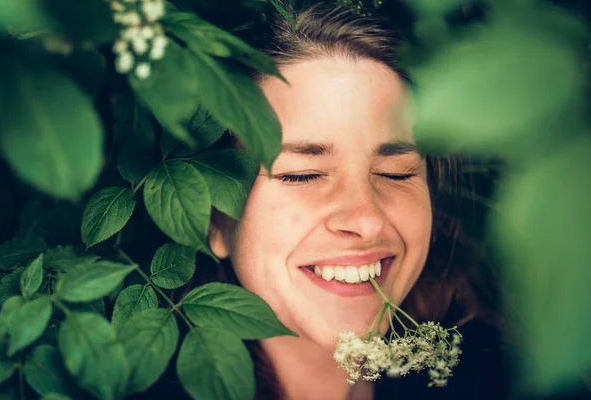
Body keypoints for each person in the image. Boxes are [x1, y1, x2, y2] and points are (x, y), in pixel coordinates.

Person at [205, 2, 510, 399]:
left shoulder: (507, 376)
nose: (367, 220)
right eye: (302, 175)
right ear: (214, 218)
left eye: (395, 173)